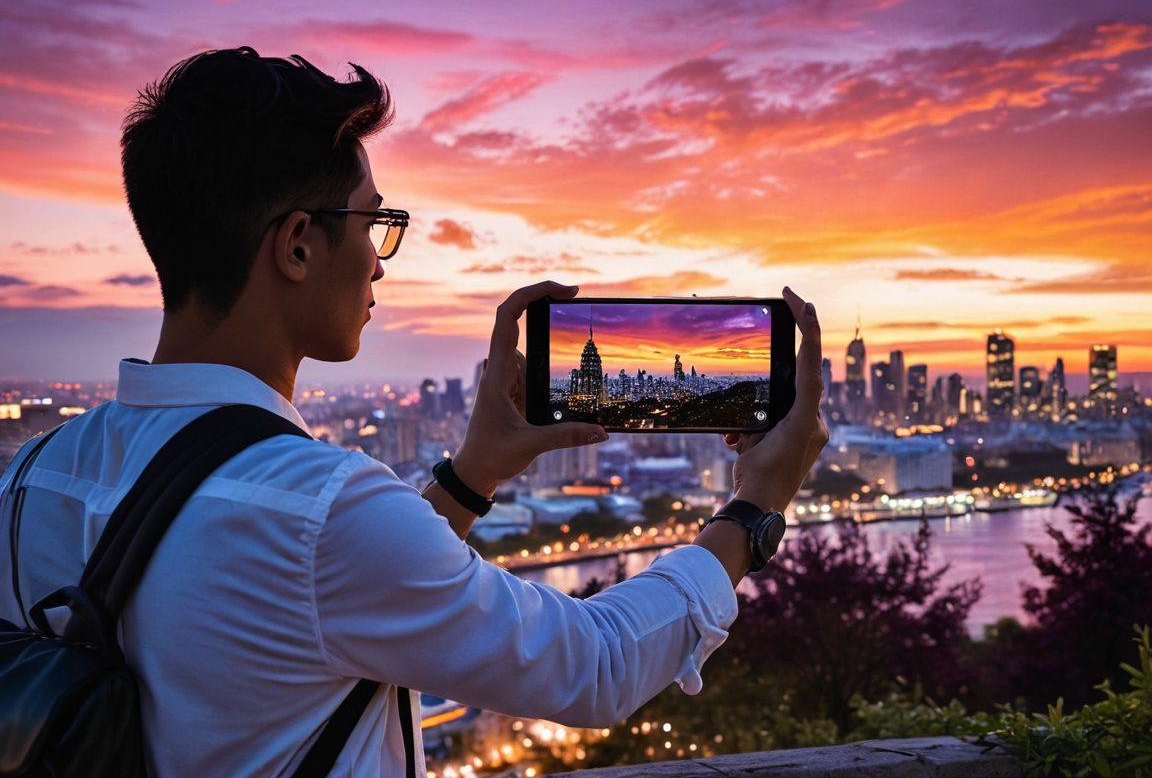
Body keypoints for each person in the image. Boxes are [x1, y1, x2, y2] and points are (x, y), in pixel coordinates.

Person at [0, 47, 827, 777]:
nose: (380, 265)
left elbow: (307, 609)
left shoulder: (28, 481)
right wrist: (756, 508)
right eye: (376, 222)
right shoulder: (322, 510)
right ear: (296, 245)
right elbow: (596, 664)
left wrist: (470, 479)